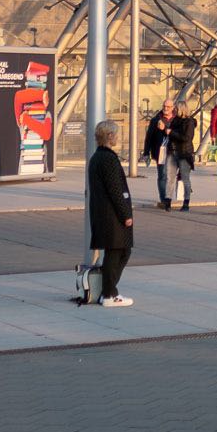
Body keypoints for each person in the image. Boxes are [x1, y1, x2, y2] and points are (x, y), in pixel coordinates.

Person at [86, 121, 135, 307]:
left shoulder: (97, 157)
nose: (118, 137)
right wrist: (125, 214)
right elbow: (115, 190)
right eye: (116, 134)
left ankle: (108, 292)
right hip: (112, 215)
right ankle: (109, 294)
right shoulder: (108, 159)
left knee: (118, 251)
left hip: (103, 213)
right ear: (110, 137)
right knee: (118, 252)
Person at [141, 100, 182, 211]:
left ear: (173, 107)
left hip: (174, 151)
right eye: (164, 106)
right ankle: (164, 199)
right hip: (161, 152)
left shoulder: (178, 120)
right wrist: (146, 152)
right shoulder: (155, 120)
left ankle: (169, 198)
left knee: (172, 176)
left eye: (168, 106)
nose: (165, 108)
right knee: (163, 175)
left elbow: (182, 134)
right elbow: (149, 137)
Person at [168, 101, 197, 212]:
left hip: (185, 153)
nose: (174, 110)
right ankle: (168, 201)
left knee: (185, 179)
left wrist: (171, 132)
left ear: (180, 109)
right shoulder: (175, 120)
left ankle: (186, 203)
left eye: (175, 108)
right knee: (170, 178)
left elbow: (186, 138)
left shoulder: (189, 122)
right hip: (174, 152)